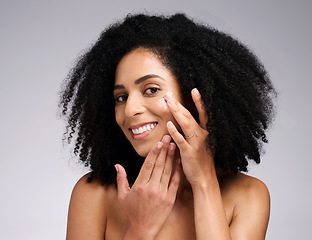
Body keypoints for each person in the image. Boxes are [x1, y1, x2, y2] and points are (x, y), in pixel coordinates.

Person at [60, 13, 276, 240]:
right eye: (121, 97)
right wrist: (140, 228)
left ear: (195, 98)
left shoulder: (248, 195)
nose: (130, 109)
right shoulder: (94, 194)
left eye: (151, 89)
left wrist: (204, 183)